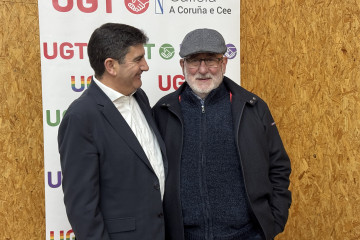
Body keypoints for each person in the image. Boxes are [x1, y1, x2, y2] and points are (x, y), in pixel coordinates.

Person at [152, 28, 291, 240]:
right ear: (182, 65)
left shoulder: (252, 107)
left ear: (224, 63)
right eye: (193, 61)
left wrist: (273, 221)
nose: (202, 69)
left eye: (211, 60)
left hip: (246, 235)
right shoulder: (163, 111)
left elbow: (278, 166)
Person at [58, 23, 167, 240]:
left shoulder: (139, 96)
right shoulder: (81, 117)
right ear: (111, 66)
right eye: (137, 59)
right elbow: (82, 208)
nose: (145, 66)